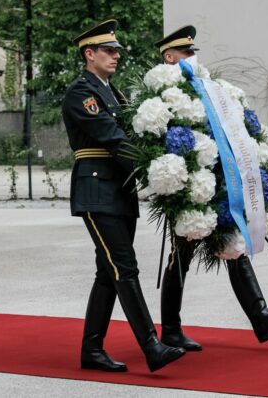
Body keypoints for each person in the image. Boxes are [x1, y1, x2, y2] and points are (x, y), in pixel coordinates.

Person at [156, 25, 268, 350]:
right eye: (186, 52)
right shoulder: (164, 92)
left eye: (194, 51)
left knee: (234, 244)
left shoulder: (210, 89)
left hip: (221, 181)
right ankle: (170, 329)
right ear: (170, 57)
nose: (194, 57)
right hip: (192, 185)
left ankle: (261, 316)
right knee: (180, 255)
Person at [62, 19, 186, 373]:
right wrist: (153, 168)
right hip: (97, 189)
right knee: (124, 266)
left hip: (118, 190)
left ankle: (91, 350)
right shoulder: (81, 92)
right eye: (108, 51)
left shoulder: (113, 92)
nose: (116, 56)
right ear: (89, 54)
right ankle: (151, 346)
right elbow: (112, 136)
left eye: (116, 51)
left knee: (108, 272)